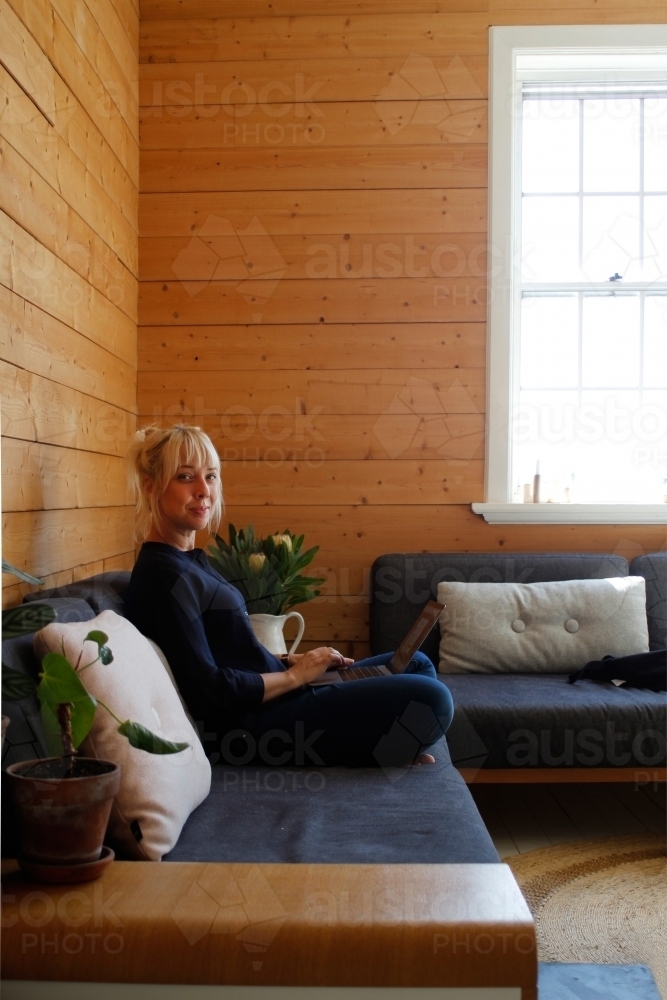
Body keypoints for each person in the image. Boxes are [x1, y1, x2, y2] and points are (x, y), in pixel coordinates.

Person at [124, 425, 454, 769]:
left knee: (418, 664)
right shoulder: (162, 575)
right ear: (151, 487)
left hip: (276, 692)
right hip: (253, 723)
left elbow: (226, 653)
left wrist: (289, 661)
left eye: (211, 476)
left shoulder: (190, 561)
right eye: (185, 477)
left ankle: (383, 742)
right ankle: (378, 747)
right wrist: (297, 677)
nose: (204, 490)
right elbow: (209, 691)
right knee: (433, 699)